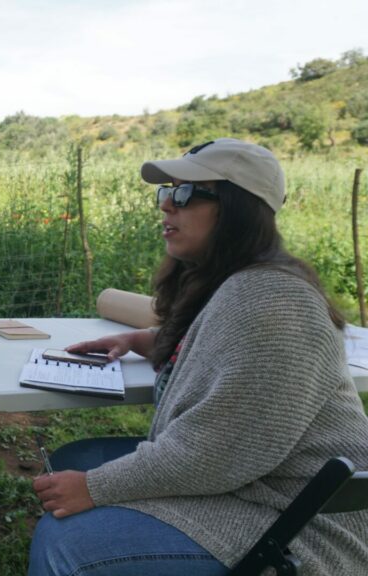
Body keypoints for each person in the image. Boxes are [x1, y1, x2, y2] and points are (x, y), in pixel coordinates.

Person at [29, 139, 368, 576]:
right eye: (166, 193)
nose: (167, 205)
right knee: (73, 458)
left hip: (299, 523)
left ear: (237, 209)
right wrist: (142, 339)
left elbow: (215, 454)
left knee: (68, 545)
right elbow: (216, 345)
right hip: (252, 487)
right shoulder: (239, 284)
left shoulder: (272, 299)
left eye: (186, 194)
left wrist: (95, 488)